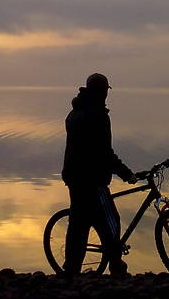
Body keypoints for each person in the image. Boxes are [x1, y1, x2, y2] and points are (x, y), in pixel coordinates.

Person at [61, 72, 137, 276]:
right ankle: (116, 265)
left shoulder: (75, 112)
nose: (106, 95)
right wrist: (126, 173)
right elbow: (104, 152)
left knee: (79, 223)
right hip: (92, 179)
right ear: (101, 91)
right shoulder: (98, 116)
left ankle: (71, 270)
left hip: (73, 176)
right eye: (105, 90)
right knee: (111, 221)